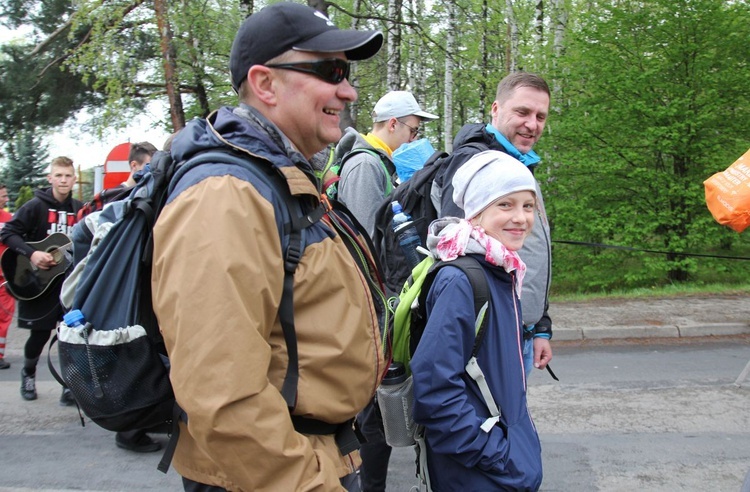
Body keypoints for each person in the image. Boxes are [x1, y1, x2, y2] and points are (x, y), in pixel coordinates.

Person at [149, 3, 384, 490]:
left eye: (348, 72)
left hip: (317, 455)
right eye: (331, 70)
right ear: (265, 84)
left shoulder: (278, 176)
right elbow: (223, 397)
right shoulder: (225, 195)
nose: (349, 89)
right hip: (276, 474)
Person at [412, 150, 544, 490]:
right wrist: (495, 454)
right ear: (476, 212)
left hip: (502, 459)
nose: (520, 217)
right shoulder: (462, 280)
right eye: (505, 205)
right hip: (477, 470)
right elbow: (434, 387)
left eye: (528, 206)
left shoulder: (502, 269)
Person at [434, 71, 553, 377]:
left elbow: (530, 251)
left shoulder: (517, 164)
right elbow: (455, 253)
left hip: (518, 329)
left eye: (540, 116)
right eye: (522, 112)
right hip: (489, 335)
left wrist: (539, 325)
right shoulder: (478, 163)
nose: (532, 124)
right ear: (496, 109)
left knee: (511, 418)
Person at [0, 157, 82, 404]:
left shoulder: (80, 209)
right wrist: (33, 253)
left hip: (69, 284)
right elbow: (7, 233)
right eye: (59, 175)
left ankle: (68, 385)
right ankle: (28, 374)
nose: (63, 180)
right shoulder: (35, 207)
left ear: (74, 179)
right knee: (39, 335)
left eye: (68, 176)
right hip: (38, 283)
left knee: (70, 335)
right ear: (50, 178)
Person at [336, 90, 437, 237]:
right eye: (413, 131)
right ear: (393, 124)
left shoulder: (379, 163)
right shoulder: (365, 165)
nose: (413, 139)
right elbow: (368, 238)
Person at [0, 184, 15, 369]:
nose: (6, 199)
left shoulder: (10, 218)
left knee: (4, 316)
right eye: (2, 195)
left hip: (4, 277)